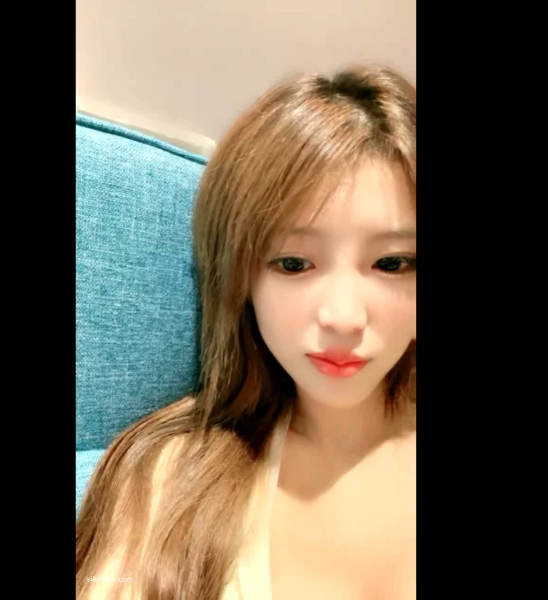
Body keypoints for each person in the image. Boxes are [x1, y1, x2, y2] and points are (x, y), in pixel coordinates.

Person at [76, 65, 416, 600]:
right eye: (293, 263)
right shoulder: (169, 486)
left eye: (392, 263)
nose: (344, 317)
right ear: (240, 280)